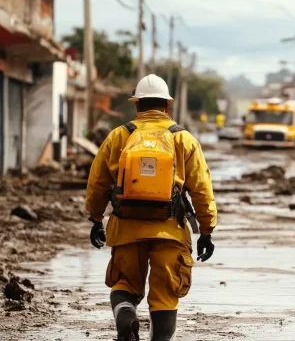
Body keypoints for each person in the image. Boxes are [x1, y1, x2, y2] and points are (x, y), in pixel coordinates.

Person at [85, 74, 217, 341]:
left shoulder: (118, 136)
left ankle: (126, 318)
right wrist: (206, 230)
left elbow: (97, 183)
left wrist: (96, 219)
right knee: (165, 294)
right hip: (170, 231)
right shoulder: (184, 140)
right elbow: (202, 189)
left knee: (124, 283)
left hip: (126, 227)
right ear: (167, 106)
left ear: (137, 106)